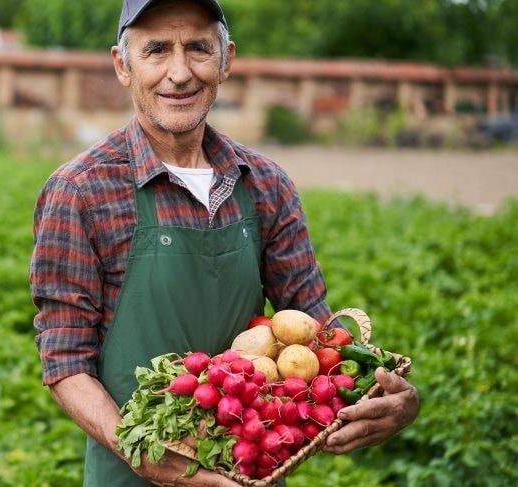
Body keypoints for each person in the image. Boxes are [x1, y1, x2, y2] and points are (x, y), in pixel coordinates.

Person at [28, 0, 421, 485]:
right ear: (122, 65)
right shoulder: (81, 191)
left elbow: (316, 334)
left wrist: (387, 396)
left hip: (253, 461)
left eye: (198, 48)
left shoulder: (265, 184)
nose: (179, 73)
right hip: (129, 472)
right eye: (156, 50)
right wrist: (141, 450)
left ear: (226, 59)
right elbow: (66, 361)